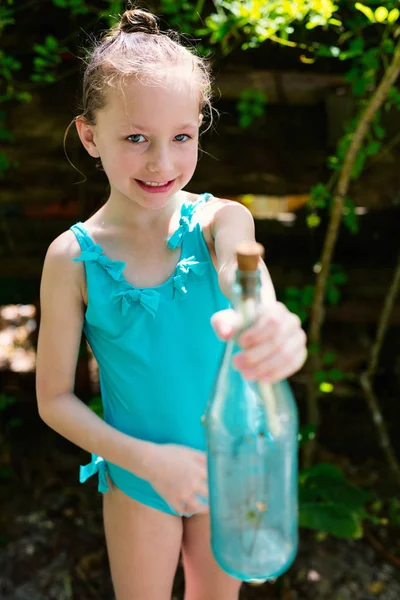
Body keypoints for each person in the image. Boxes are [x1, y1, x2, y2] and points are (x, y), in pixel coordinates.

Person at [35, 7, 307, 600]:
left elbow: (252, 289)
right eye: (136, 138)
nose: (163, 163)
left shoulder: (220, 222)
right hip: (137, 474)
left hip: (232, 464)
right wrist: (149, 463)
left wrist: (274, 324)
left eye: (182, 137)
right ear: (89, 136)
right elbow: (54, 400)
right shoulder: (71, 259)